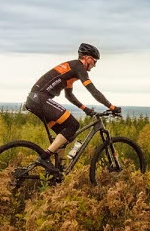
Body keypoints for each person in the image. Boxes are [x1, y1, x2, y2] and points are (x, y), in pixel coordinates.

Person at [24, 43, 121, 174]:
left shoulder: (71, 70)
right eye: (94, 61)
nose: (94, 65)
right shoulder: (78, 66)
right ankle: (43, 158)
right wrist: (111, 106)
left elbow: (69, 95)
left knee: (66, 135)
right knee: (73, 125)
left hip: (35, 100)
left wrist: (85, 109)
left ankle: (57, 171)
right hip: (40, 99)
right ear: (86, 58)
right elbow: (93, 90)